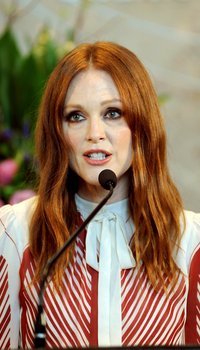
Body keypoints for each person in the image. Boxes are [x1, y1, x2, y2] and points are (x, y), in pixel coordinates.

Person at [0, 41, 199, 349]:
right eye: (76, 116)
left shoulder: (190, 241)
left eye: (112, 113)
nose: (95, 132)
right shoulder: (13, 233)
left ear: (142, 126)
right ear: (58, 132)